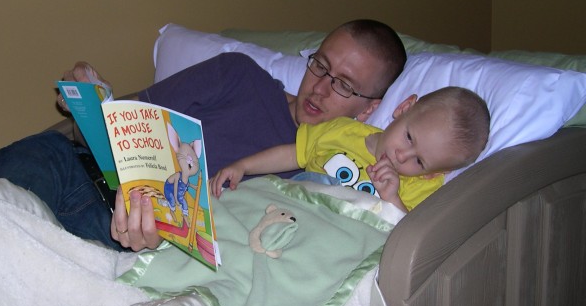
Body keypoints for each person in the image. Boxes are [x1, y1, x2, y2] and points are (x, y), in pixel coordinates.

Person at [0, 19, 407, 306]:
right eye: (320, 65)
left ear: (371, 107)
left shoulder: (313, 184)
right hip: (73, 165)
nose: (320, 87)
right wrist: (93, 96)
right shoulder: (241, 76)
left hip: (113, 236)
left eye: (344, 84)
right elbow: (136, 115)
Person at [210, 86, 491, 212]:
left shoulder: (418, 189)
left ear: (432, 174)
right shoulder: (343, 130)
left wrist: (392, 199)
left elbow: (408, 238)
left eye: (419, 162)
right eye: (408, 137)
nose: (401, 156)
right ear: (405, 108)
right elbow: (292, 153)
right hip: (291, 210)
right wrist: (243, 166)